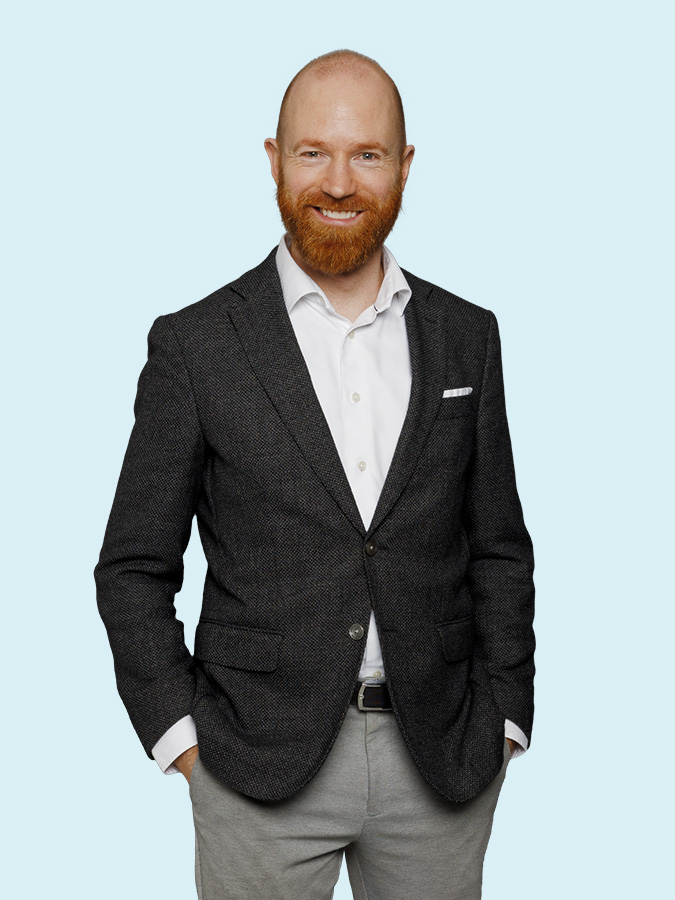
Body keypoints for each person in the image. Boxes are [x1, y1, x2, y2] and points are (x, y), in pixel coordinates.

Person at [94, 48, 535, 900]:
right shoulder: (196, 346)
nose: (338, 182)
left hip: (441, 758)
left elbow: (498, 547)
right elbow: (132, 567)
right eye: (312, 153)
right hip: (251, 762)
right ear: (274, 160)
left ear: (403, 165)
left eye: (366, 154)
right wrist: (181, 738)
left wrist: (505, 715)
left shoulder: (466, 336)